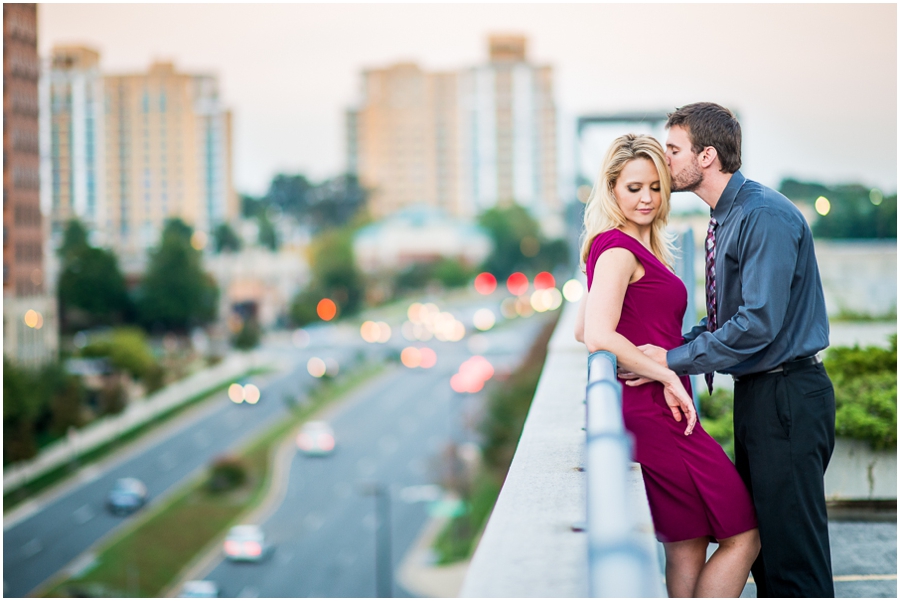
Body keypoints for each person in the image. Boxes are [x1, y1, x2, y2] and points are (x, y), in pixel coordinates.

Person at [632, 102, 836, 597]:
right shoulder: (727, 216)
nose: (664, 158)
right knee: (769, 557)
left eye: (673, 149)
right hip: (762, 396)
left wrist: (671, 360)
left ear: (706, 156)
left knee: (792, 562)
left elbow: (755, 325)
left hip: (786, 396)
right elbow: (726, 319)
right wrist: (665, 348)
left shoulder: (761, 216)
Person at [574, 133, 760, 598]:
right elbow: (596, 333)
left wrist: (650, 363)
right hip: (658, 411)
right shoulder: (617, 248)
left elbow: (583, 328)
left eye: (655, 186)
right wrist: (663, 373)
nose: (646, 198)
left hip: (659, 405)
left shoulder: (635, 246)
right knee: (745, 534)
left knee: (687, 542)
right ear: (612, 188)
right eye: (633, 187)